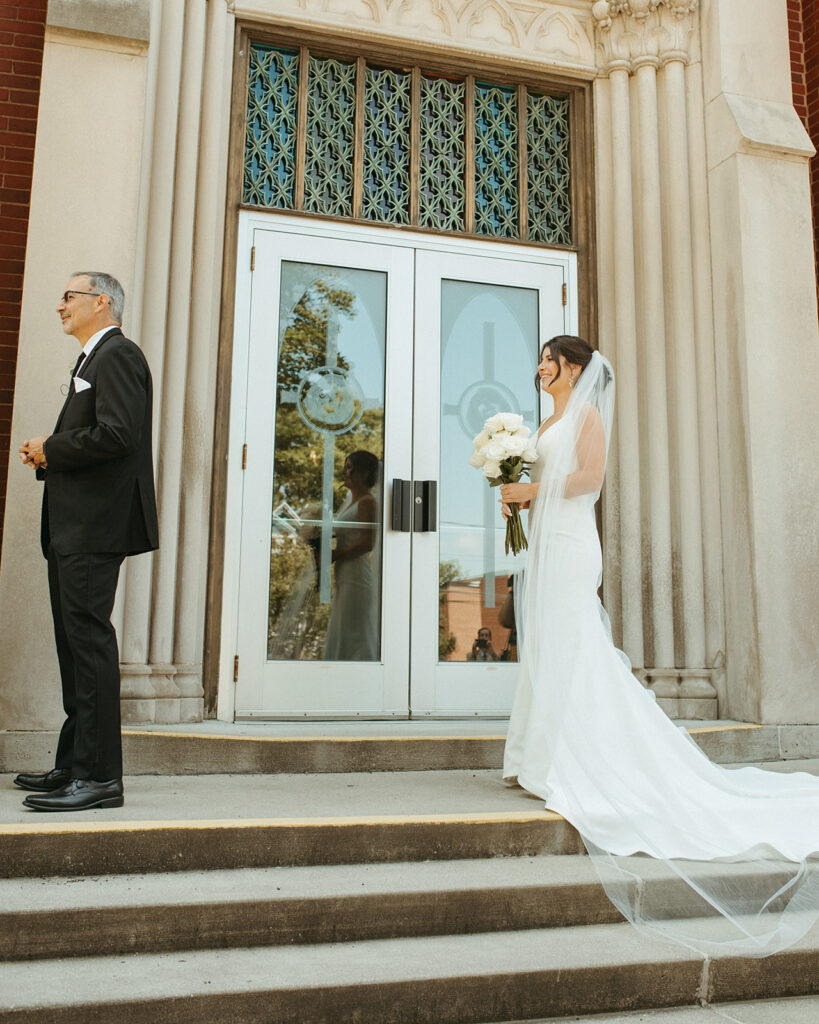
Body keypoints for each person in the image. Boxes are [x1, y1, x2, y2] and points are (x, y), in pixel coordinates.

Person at [498, 335, 819, 957]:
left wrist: (533, 492)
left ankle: (571, 759)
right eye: (538, 359)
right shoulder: (548, 420)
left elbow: (589, 480)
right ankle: (535, 755)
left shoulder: (587, 416)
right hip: (544, 540)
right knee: (549, 647)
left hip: (570, 543)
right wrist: (514, 488)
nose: (540, 368)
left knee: (575, 644)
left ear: (577, 369)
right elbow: (544, 478)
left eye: (550, 360)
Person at [14, 272, 158, 812]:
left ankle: (100, 778)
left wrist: (52, 447)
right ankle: (72, 765)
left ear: (102, 302)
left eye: (68, 297)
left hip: (96, 527)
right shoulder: (90, 359)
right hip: (74, 526)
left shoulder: (117, 355)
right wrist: (50, 454)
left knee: (90, 643)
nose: (59, 306)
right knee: (74, 646)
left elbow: (120, 434)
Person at [323, 450, 380, 661]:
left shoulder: (368, 502)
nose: (345, 472)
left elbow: (367, 542)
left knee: (355, 633)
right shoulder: (351, 503)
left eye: (349, 467)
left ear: (364, 473)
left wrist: (337, 555)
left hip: (357, 577)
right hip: (344, 575)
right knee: (343, 628)